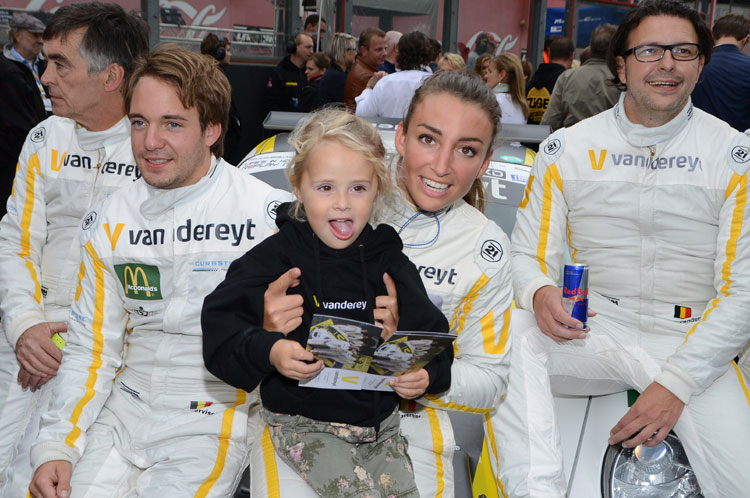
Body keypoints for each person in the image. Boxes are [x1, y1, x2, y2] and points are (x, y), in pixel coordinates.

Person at [495, 1, 750, 497]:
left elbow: (744, 291)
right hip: (593, 332)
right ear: (621, 64)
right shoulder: (566, 149)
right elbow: (526, 256)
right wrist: (541, 292)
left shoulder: (734, 156)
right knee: (507, 332)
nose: (667, 64)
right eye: (650, 50)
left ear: (700, 64)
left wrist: (675, 385)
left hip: (692, 339)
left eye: (683, 51)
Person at [28, 43, 290, 498]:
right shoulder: (109, 217)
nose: (150, 142)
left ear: (211, 129)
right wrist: (57, 445)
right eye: (139, 122)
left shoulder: (268, 217)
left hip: (213, 414)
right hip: (121, 409)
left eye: (172, 124)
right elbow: (92, 349)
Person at [259, 71, 513, 498]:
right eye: (428, 139)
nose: (442, 165)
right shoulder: (343, 193)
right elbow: (242, 324)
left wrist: (420, 371)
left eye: (466, 150)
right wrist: (268, 330)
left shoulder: (485, 248)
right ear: (401, 137)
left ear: (485, 163)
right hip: (301, 418)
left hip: (413, 423)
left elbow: (490, 381)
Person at [203, 109, 453, 498]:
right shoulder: (276, 257)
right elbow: (220, 329)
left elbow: (434, 338)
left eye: (358, 188)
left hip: (382, 429)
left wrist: (426, 376)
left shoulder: (388, 259)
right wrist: (270, 349)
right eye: (325, 188)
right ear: (298, 188)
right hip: (304, 424)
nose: (342, 203)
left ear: (378, 189)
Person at [0, 4, 148, 497]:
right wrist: (26, 327)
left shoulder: (153, 151)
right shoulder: (44, 137)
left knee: (39, 479)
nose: (45, 77)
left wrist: (75, 344)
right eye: (45, 62)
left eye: (60, 64)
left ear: (111, 77)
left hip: (103, 353)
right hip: (24, 334)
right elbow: (16, 241)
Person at [0, 13, 50, 220]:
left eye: (42, 35)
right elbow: (16, 117)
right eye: (34, 35)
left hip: (46, 145)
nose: (40, 40)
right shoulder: (6, 70)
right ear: (18, 36)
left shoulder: (45, 65)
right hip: (14, 153)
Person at [541, 24, 621, 131]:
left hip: (572, 138)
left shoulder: (567, 77)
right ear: (616, 49)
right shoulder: (623, 79)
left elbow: (549, 121)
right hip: (610, 139)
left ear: (591, 46)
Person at [691, 13, 750, 131]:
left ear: (713, 36)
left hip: (700, 134)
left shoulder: (696, 63)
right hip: (740, 137)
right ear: (746, 39)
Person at [355, 30, 433, 119]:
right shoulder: (435, 84)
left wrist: (368, 89)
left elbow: (362, 114)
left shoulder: (384, 83)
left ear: (398, 50)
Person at [200, 32, 243, 164]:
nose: (230, 54)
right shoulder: (214, 76)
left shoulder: (204, 72)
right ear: (219, 52)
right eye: (227, 50)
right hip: (222, 141)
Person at [526, 35, 574, 124]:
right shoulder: (568, 82)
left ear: (549, 55)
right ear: (572, 56)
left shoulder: (532, 80)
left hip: (529, 131)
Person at [267, 32, 315, 112]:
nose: (311, 51)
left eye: (312, 47)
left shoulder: (311, 72)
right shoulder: (279, 73)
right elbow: (272, 103)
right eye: (308, 47)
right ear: (294, 47)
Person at [344, 27, 387, 110]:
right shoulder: (368, 77)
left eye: (385, 48)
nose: (385, 53)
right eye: (378, 49)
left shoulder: (362, 67)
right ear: (363, 50)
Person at [485, 53, 530, 124]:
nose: (486, 76)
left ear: (502, 75)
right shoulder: (521, 104)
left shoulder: (494, 102)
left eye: (490, 71)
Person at [318, 32, 356, 107]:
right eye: (354, 50)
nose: (356, 53)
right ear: (344, 52)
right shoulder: (336, 77)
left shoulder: (338, 72)